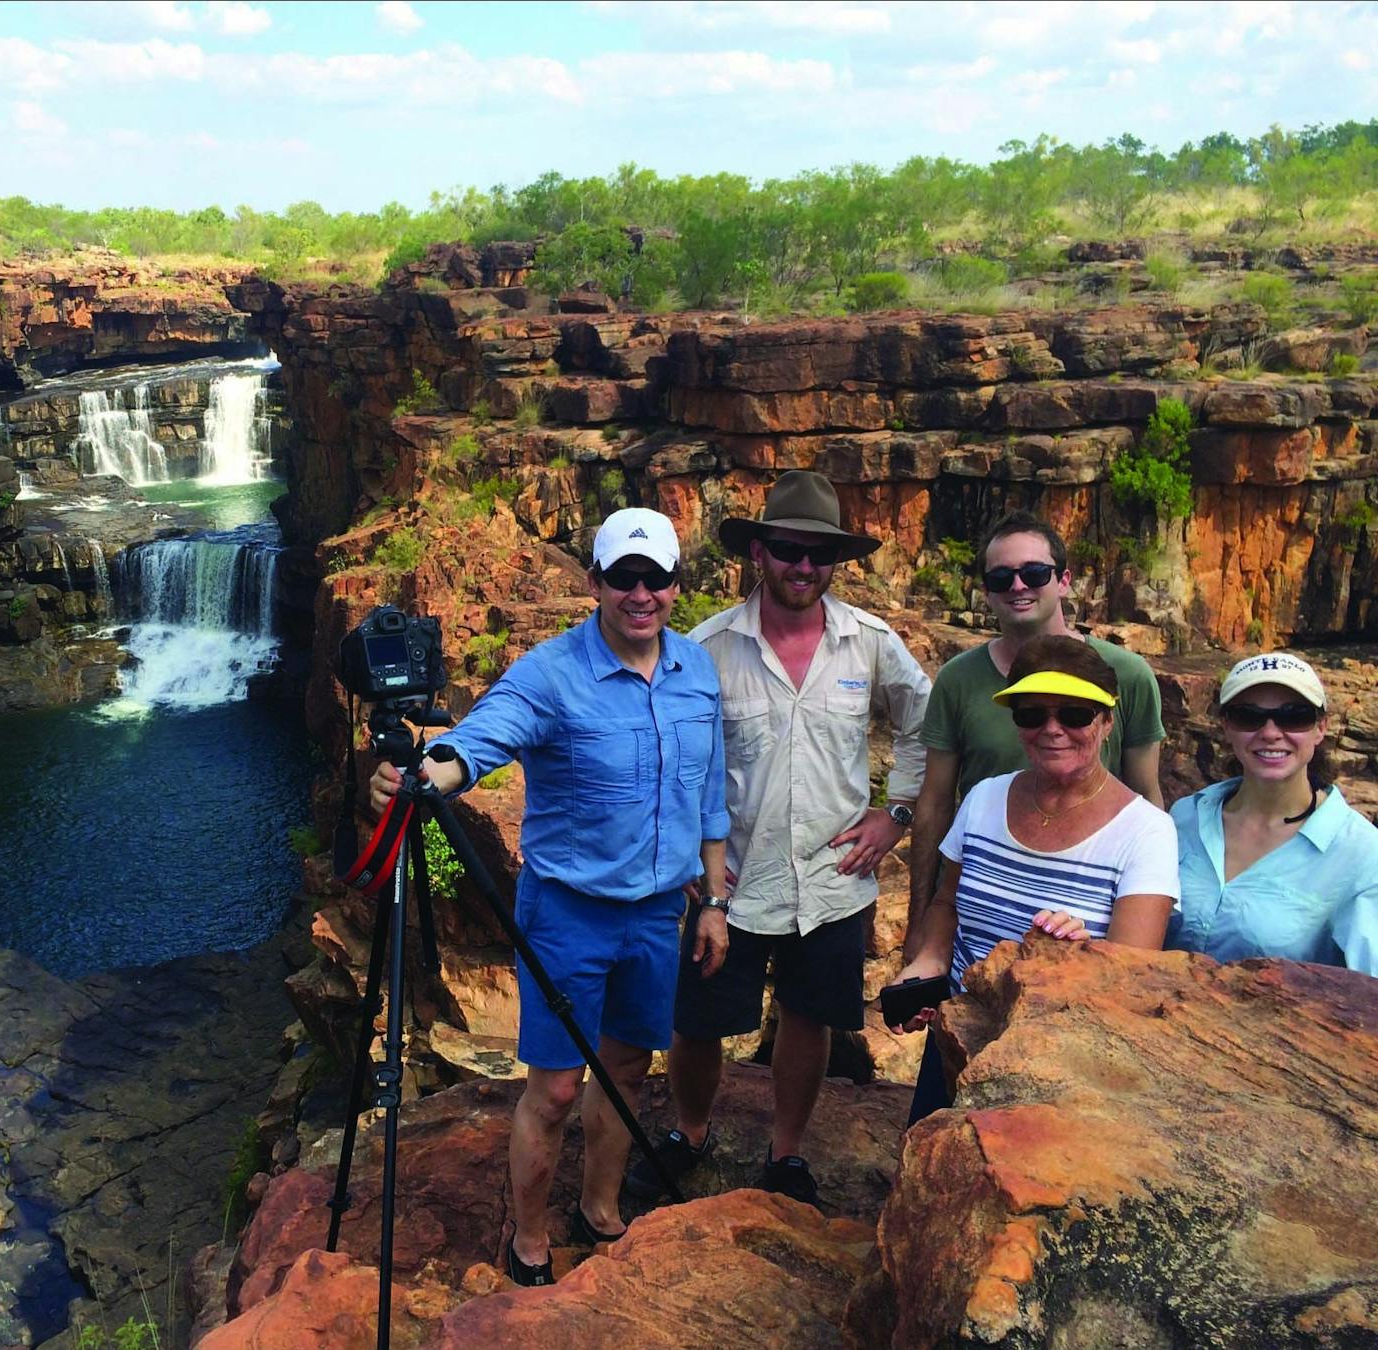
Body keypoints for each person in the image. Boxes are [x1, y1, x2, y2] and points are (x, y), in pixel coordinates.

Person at [369, 507, 729, 1287]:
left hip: (658, 913)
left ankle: (599, 1211)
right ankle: (528, 1241)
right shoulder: (551, 673)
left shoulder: (696, 671)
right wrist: (423, 774)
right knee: (557, 1088)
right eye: (624, 576)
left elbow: (708, 797)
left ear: (677, 584)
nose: (641, 593)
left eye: (657, 578)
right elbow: (483, 737)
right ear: (595, 581)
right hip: (569, 914)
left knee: (627, 1070)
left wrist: (713, 902)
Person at [625, 470, 932, 1209]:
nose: (804, 566)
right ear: (758, 552)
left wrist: (897, 813)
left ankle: (786, 1152)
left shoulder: (868, 644)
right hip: (730, 880)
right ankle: (690, 1132)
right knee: (698, 1022)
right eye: (790, 549)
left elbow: (926, 722)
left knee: (808, 1016)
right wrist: (688, 860)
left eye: (819, 554)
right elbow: (667, 755)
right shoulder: (706, 649)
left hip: (832, 877)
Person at [889, 634, 1179, 1121]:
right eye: (1032, 715)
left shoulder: (1147, 831)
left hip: (1062, 1071)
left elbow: (1131, 977)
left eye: (1075, 714)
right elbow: (947, 903)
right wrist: (928, 964)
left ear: (1107, 721)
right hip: (957, 1043)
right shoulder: (984, 798)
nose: (1052, 729)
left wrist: (1078, 955)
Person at [910, 511, 1167, 936]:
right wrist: (920, 923)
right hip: (979, 902)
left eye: (1034, 573)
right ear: (986, 591)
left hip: (1083, 908)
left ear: (1064, 580)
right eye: (1001, 577)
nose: (1018, 586)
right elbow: (936, 802)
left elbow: (1146, 795)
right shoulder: (958, 680)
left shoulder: (1128, 675)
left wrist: (1148, 912)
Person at [1167, 651, 1378, 976]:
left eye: (1294, 716)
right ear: (1226, 726)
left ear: (1321, 728)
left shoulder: (1362, 854)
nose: (1270, 732)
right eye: (1248, 716)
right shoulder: (1186, 817)